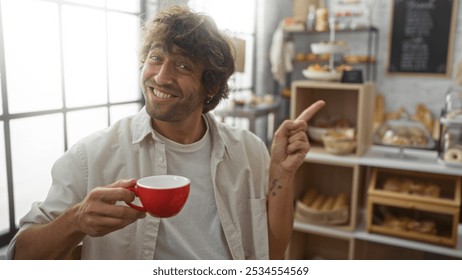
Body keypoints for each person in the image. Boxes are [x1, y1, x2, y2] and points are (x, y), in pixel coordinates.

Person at [7, 5, 325, 260]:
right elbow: (20, 257)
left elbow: (270, 251)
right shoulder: (92, 156)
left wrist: (282, 173)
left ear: (211, 85)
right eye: (155, 58)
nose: (161, 76)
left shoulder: (248, 150)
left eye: (183, 66)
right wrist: (76, 221)